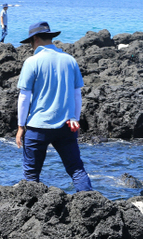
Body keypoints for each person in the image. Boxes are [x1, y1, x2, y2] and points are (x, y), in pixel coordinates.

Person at [15, 21, 93, 192]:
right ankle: (91, 205)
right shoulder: (69, 60)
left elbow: (24, 97)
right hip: (66, 125)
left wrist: (21, 126)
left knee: (31, 175)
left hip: (37, 127)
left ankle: (30, 214)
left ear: (34, 38)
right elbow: (77, 94)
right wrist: (76, 120)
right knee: (76, 170)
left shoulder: (32, 61)